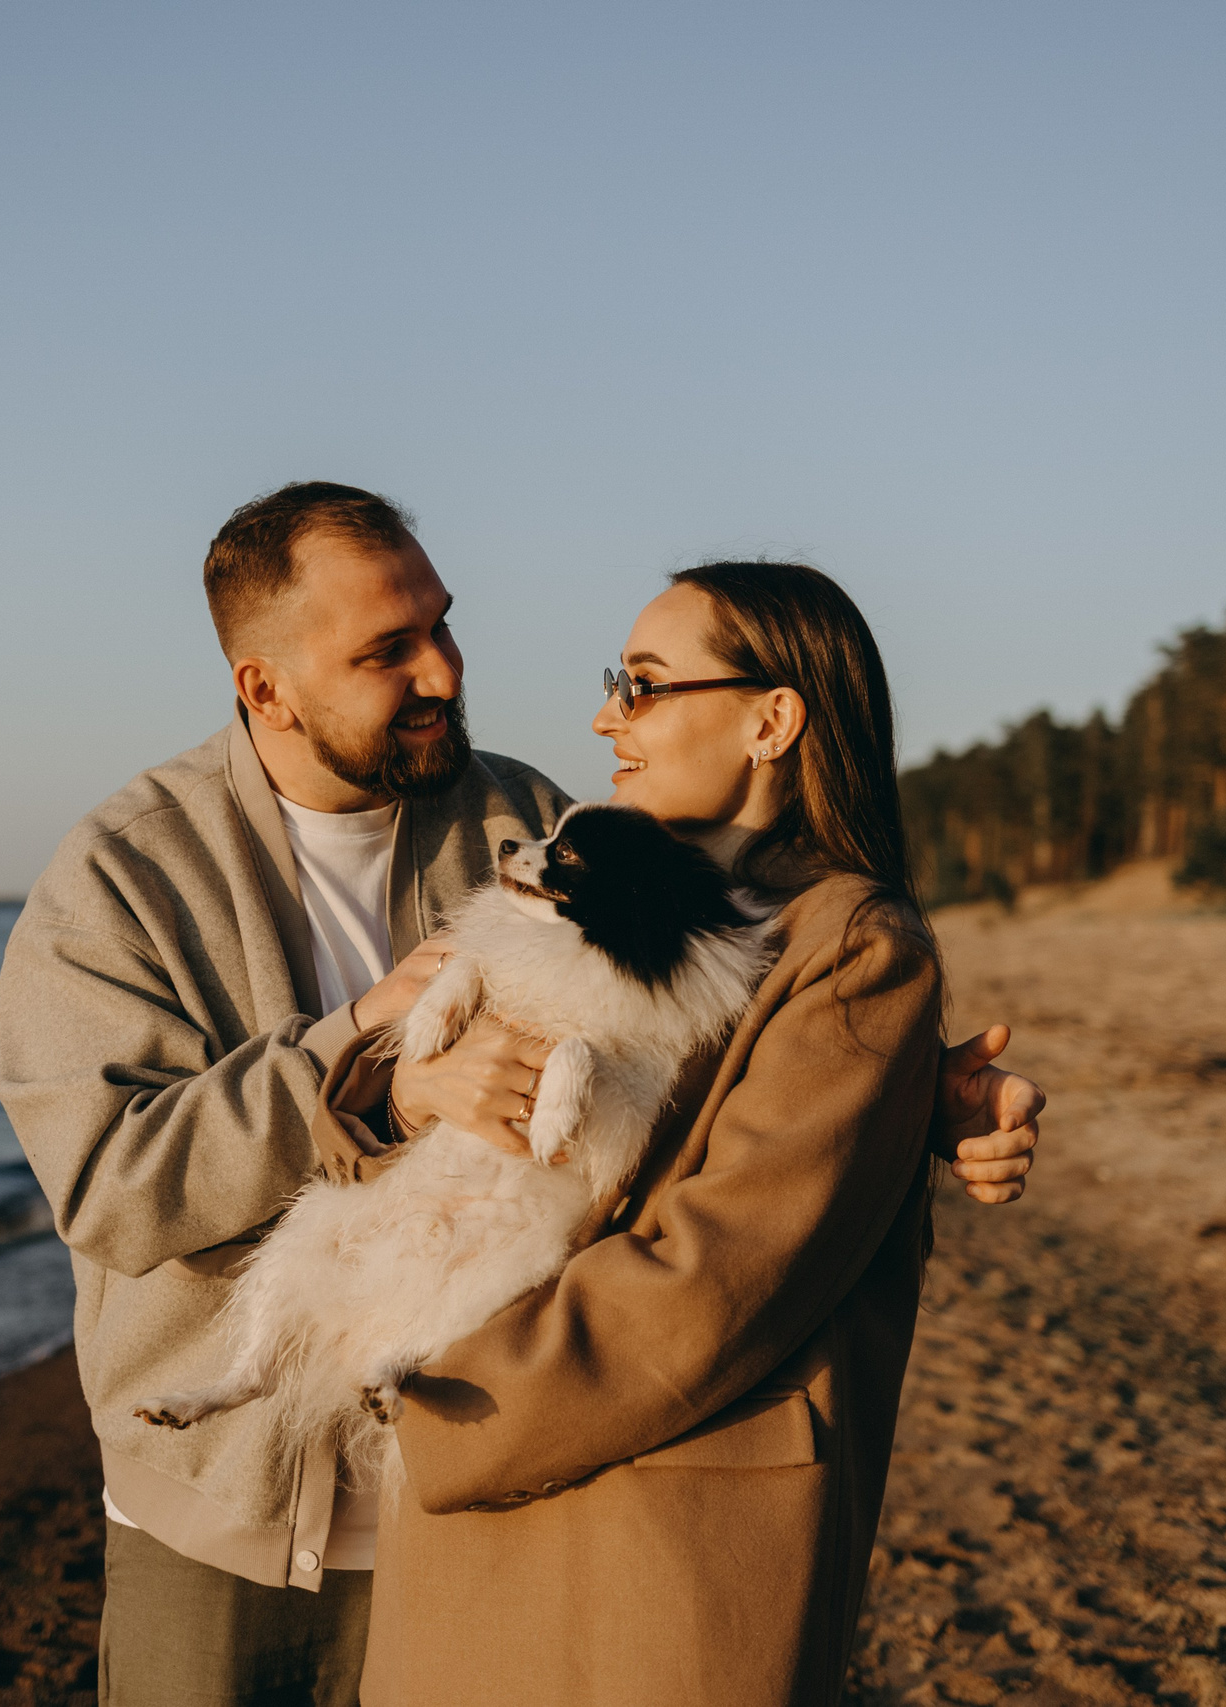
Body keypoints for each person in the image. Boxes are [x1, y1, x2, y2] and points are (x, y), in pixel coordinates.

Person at [0, 486, 1043, 1707]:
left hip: (489, 1504)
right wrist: (378, 1086)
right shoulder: (122, 876)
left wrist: (919, 1108)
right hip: (222, 1521)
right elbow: (108, 1185)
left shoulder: (540, 821)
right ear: (264, 689)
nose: (442, 670)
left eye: (441, 624)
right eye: (387, 651)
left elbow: (698, 1059)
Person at [314, 559, 967, 1706]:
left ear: (772, 719)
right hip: (499, 1498)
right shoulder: (604, 890)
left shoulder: (854, 945)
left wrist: (443, 1403)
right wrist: (407, 1101)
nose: (605, 714)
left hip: (660, 1531)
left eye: (647, 683)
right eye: (616, 679)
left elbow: (716, 1279)